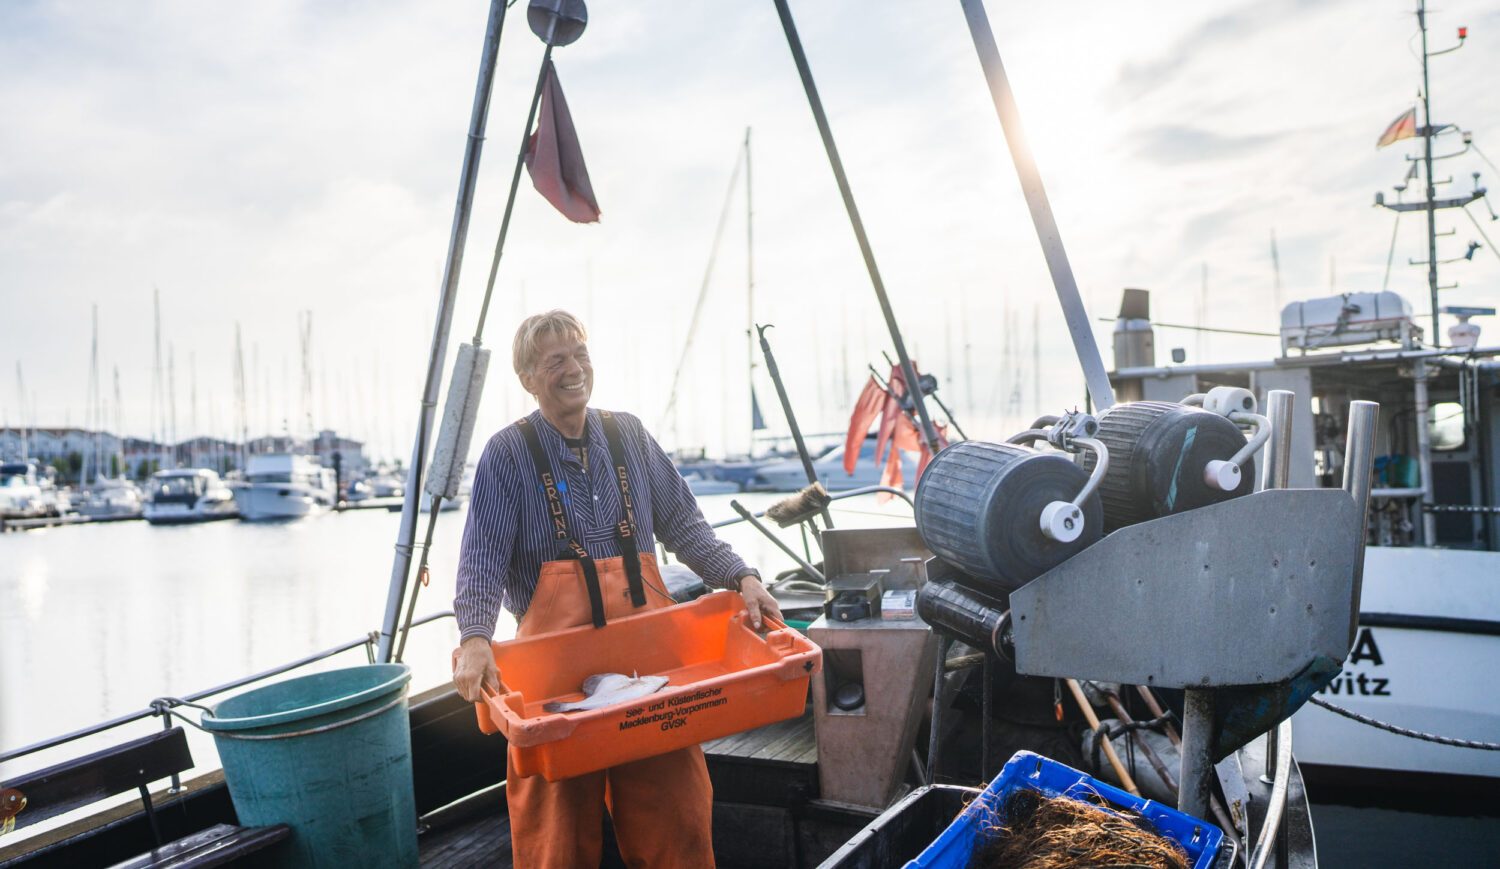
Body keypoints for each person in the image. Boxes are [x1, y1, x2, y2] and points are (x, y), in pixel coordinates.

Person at [452, 309, 781, 867]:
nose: (572, 369)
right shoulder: (506, 454)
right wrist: (475, 637)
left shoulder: (628, 433)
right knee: (554, 837)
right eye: (555, 361)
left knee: (677, 821)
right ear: (528, 377)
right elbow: (481, 559)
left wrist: (743, 577)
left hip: (649, 668)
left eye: (579, 355)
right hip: (553, 677)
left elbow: (686, 527)